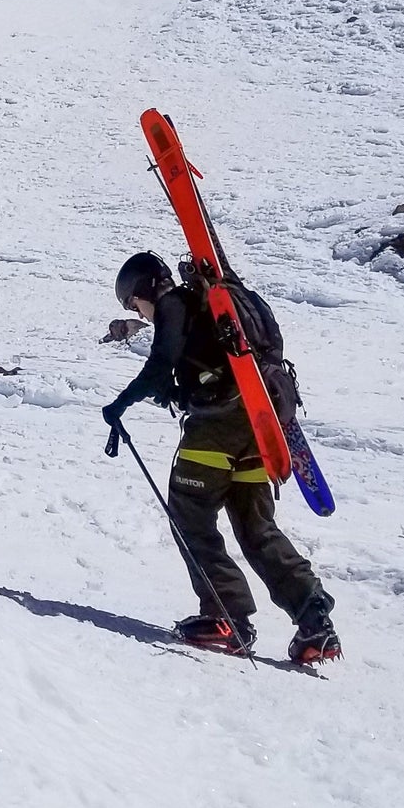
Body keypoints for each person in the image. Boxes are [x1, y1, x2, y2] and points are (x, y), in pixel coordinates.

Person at [102, 251, 341, 663]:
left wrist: (119, 405)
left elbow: (159, 366)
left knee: (189, 512)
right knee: (256, 528)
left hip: (217, 429)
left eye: (132, 304)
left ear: (143, 290)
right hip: (256, 425)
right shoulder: (203, 308)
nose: (138, 313)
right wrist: (178, 393)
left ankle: (226, 616)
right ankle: (314, 618)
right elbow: (193, 372)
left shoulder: (175, 304)